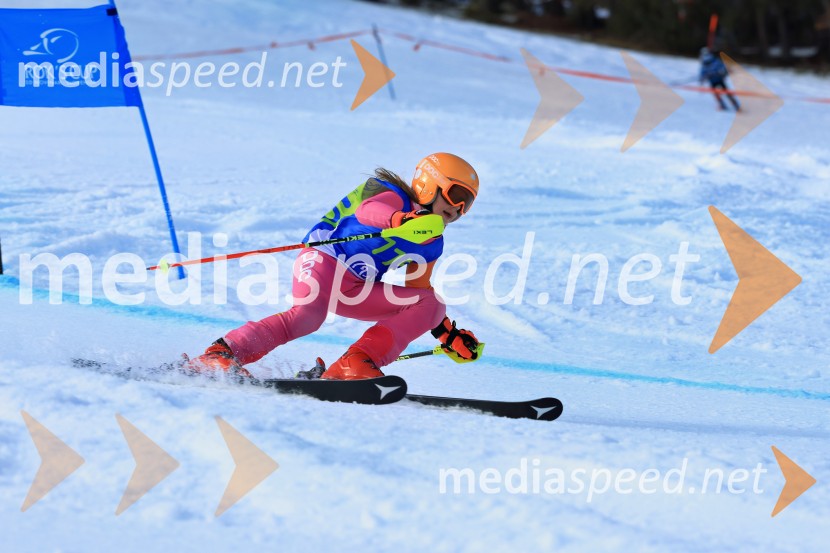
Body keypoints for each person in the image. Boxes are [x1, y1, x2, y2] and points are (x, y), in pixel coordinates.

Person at [183, 153, 481, 381]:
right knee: (307, 317)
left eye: (466, 203)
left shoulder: (431, 241)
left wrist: (447, 334)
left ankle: (355, 362)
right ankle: (220, 354)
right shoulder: (390, 194)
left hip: (355, 288)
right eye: (457, 195)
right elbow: (368, 212)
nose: (458, 209)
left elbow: (417, 289)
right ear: (430, 184)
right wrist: (400, 221)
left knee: (430, 303)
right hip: (324, 258)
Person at [699, 47, 741, 111]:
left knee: (725, 92)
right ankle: (725, 105)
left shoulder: (714, 60)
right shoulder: (705, 63)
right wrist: (703, 78)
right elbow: (703, 72)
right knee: (719, 93)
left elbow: (722, 67)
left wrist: (723, 72)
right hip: (714, 80)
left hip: (718, 79)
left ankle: (734, 105)